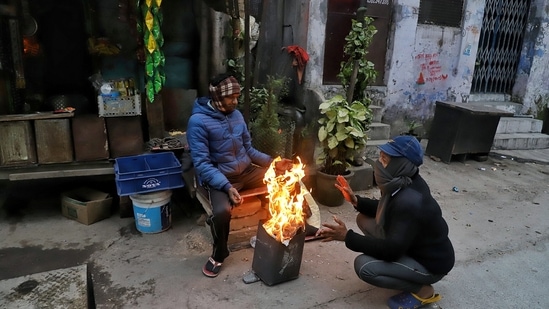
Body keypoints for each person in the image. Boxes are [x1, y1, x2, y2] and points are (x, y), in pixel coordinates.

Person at [316, 135, 455, 309]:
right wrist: (355, 201)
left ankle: (422, 289)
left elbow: (391, 251)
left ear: (401, 164)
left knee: (364, 266)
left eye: (385, 160)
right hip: (408, 243)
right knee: (363, 219)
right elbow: (388, 208)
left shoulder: (410, 201)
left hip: (429, 264)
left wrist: (347, 237)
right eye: (380, 157)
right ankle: (397, 267)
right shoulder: (402, 181)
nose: (379, 164)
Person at [187, 73, 292, 278]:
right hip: (220, 178)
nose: (235, 101)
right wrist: (227, 187)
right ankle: (219, 253)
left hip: (247, 171)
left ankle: (277, 231)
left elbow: (249, 150)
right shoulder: (197, 122)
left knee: (284, 181)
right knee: (221, 212)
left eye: (237, 96)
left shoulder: (236, 115)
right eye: (230, 97)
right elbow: (202, 164)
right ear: (217, 97)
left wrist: (274, 163)